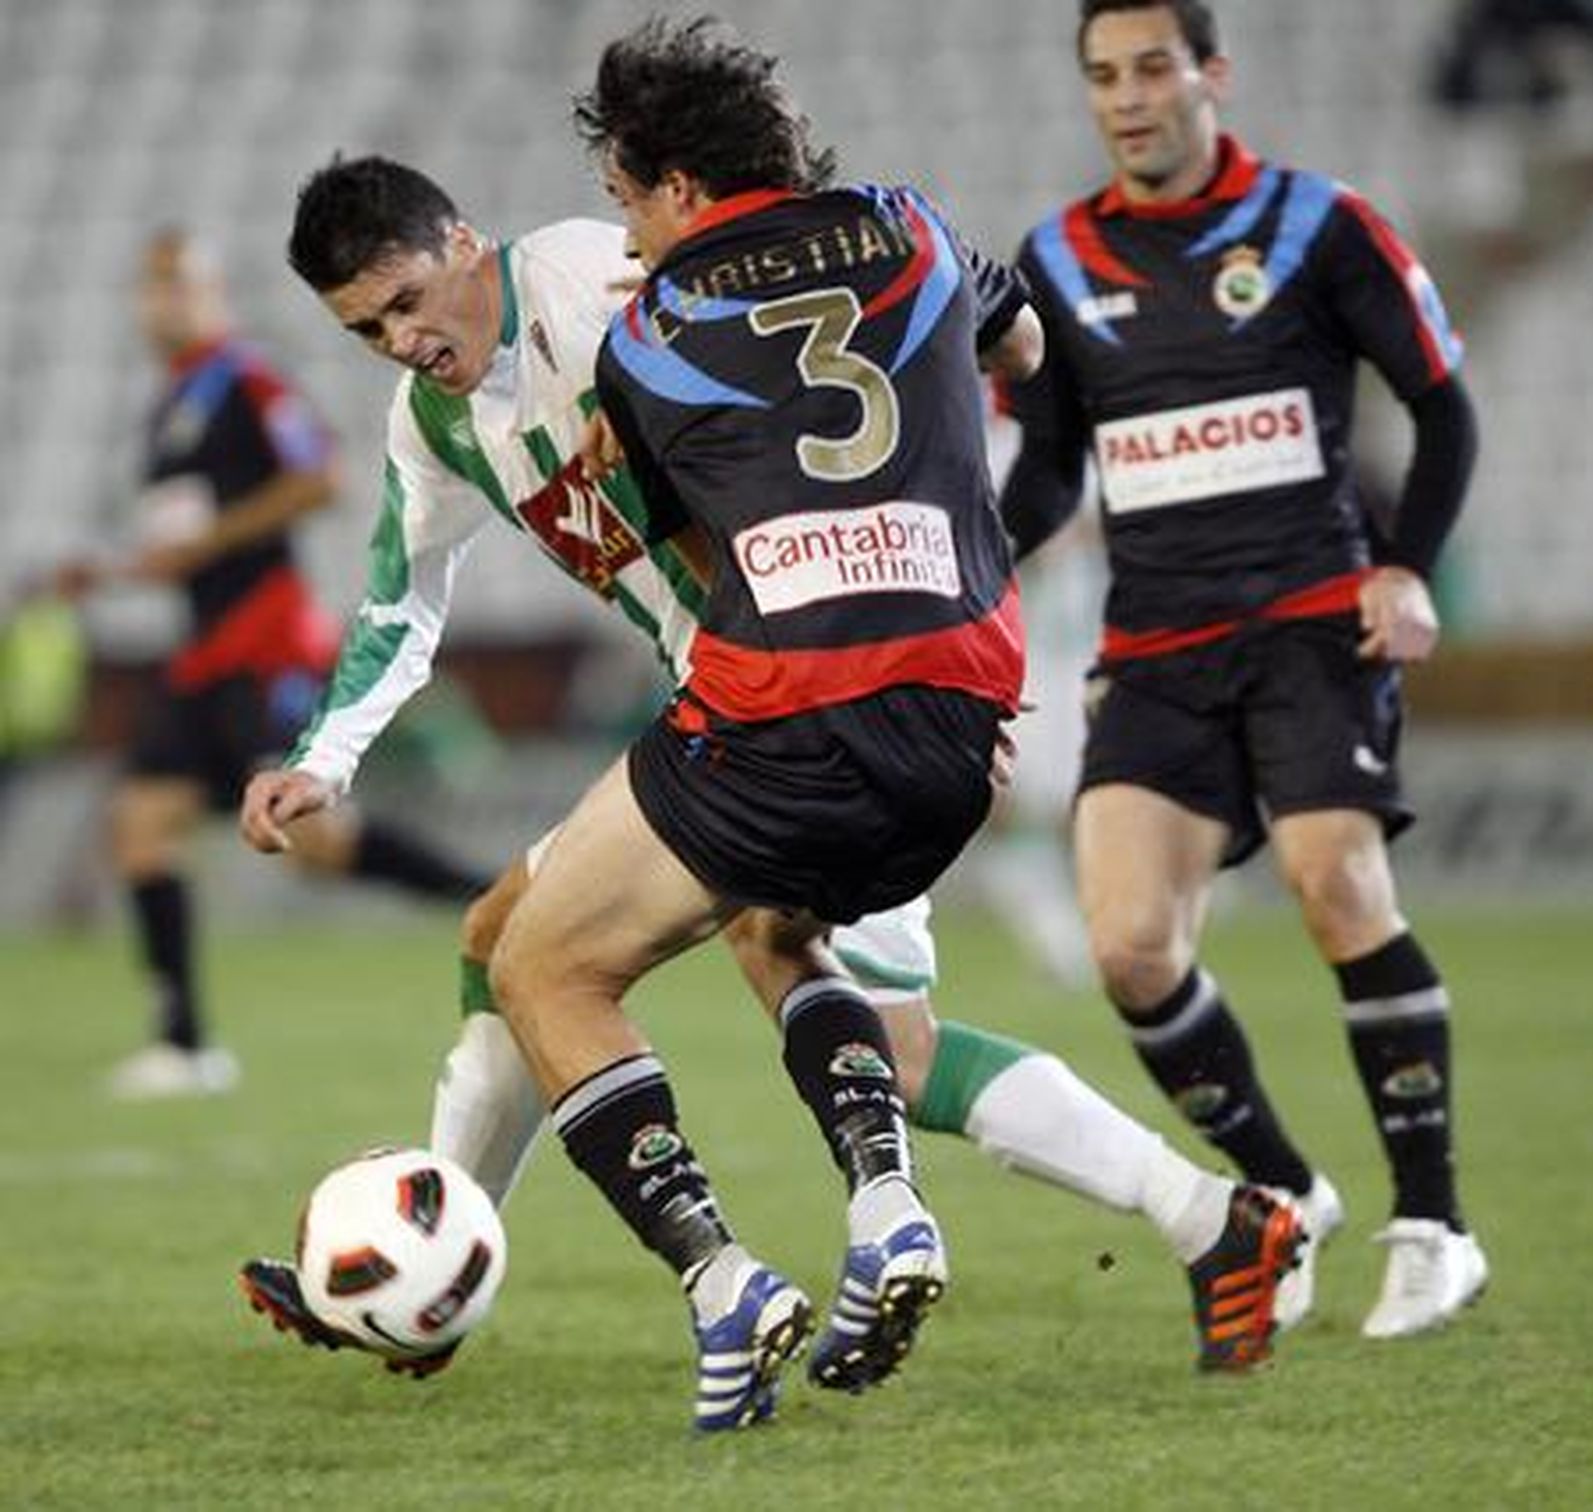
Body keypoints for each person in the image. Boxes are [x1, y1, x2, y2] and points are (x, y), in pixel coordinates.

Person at [236, 34, 1299, 1419]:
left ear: (463, 240)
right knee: (526, 939)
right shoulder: (432, 427)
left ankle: (1176, 1221)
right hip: (785, 695)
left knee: (682, 984)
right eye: (368, 331)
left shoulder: (613, 283)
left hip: (793, 699)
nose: (403, 342)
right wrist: (323, 761)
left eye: (407, 301)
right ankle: (442, 1276)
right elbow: (399, 599)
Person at [1001, 0, 1488, 1340]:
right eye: (1103, 76)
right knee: (1128, 948)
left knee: (1336, 883)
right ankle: (1284, 1197)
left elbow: (1441, 407)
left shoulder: (1320, 226)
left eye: (1153, 68)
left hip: (1311, 624)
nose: (1128, 97)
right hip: (1156, 647)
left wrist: (1407, 568)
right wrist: (976, 567)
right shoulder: (1054, 257)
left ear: (1210, 73)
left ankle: (1437, 1227)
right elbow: (1050, 469)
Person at [55, 227, 490, 1099]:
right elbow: (188, 542)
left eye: (179, 285)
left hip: (266, 646)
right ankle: (183, 1045)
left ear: (215, 295)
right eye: (152, 287)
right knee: (140, 823)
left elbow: (317, 478)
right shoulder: (173, 403)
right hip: (204, 657)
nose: (162, 302)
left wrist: (209, 540)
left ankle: (495, 901)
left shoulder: (245, 381)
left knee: (312, 839)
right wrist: (113, 572)